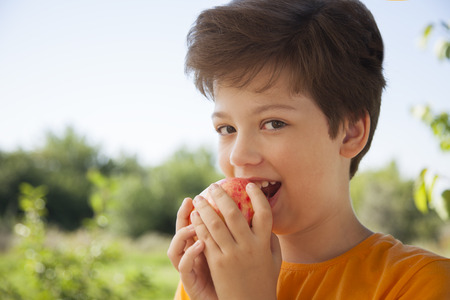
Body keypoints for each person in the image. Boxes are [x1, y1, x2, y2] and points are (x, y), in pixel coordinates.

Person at [167, 0, 450, 299]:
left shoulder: (422, 284)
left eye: (273, 123)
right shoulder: (212, 275)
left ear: (350, 132)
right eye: (227, 129)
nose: (238, 156)